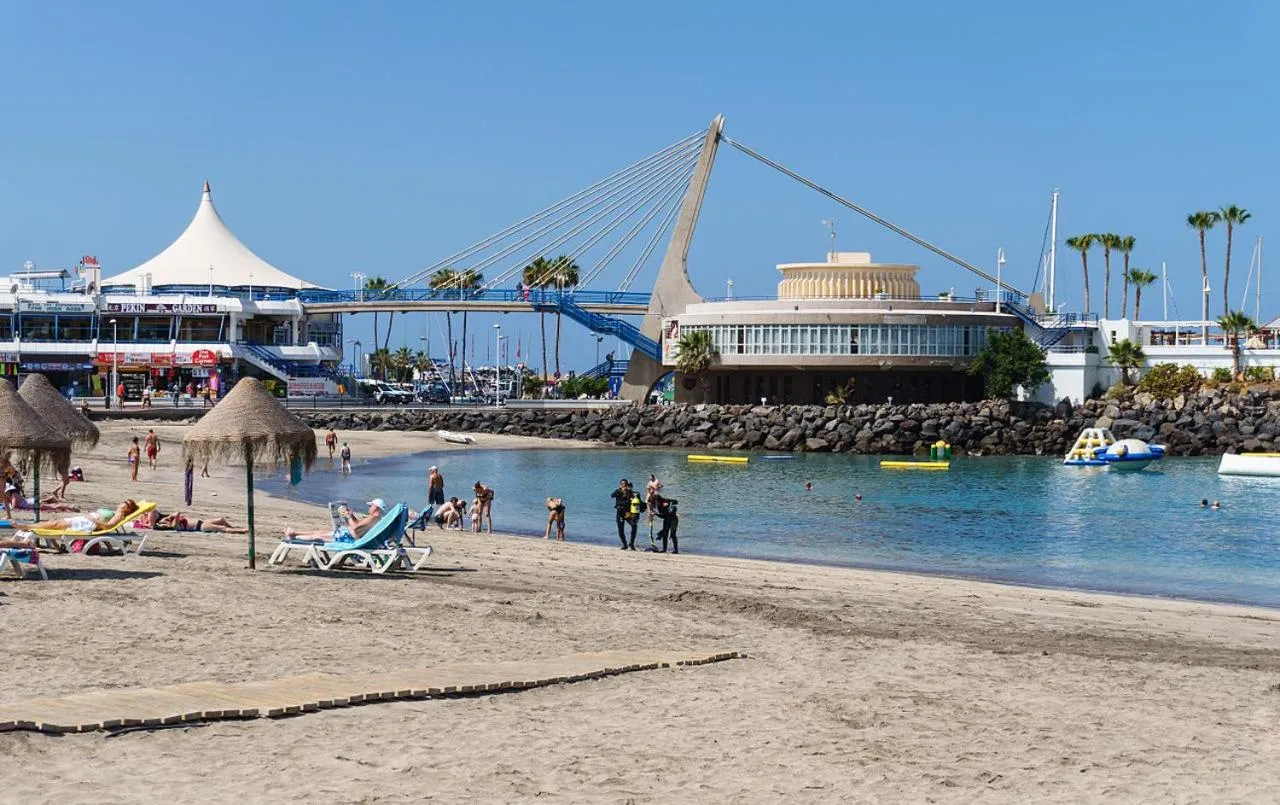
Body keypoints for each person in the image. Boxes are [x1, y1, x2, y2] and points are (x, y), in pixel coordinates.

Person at [285, 499, 386, 540]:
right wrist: (352, 516)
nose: (369, 508)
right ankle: (294, 533)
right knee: (320, 532)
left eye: (370, 506)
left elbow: (355, 528)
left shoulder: (374, 517)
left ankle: (295, 536)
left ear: (376, 507)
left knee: (318, 536)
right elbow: (359, 525)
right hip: (348, 534)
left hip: (347, 537)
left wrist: (348, 516)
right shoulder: (377, 518)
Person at [139, 509, 248, 534]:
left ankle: (233, 529)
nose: (165, 520)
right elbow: (177, 513)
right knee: (222, 528)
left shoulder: (175, 523)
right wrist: (169, 518)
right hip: (200, 527)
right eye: (164, 522)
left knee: (221, 519)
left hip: (201, 522)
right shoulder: (175, 526)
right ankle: (240, 530)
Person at [611, 479, 637, 550]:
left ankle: (631, 543)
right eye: (622, 484)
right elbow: (612, 495)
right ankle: (625, 544)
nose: (624, 486)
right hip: (620, 513)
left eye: (625, 484)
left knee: (634, 525)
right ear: (620, 485)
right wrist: (620, 491)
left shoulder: (630, 493)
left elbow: (637, 501)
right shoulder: (618, 492)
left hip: (628, 513)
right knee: (621, 530)